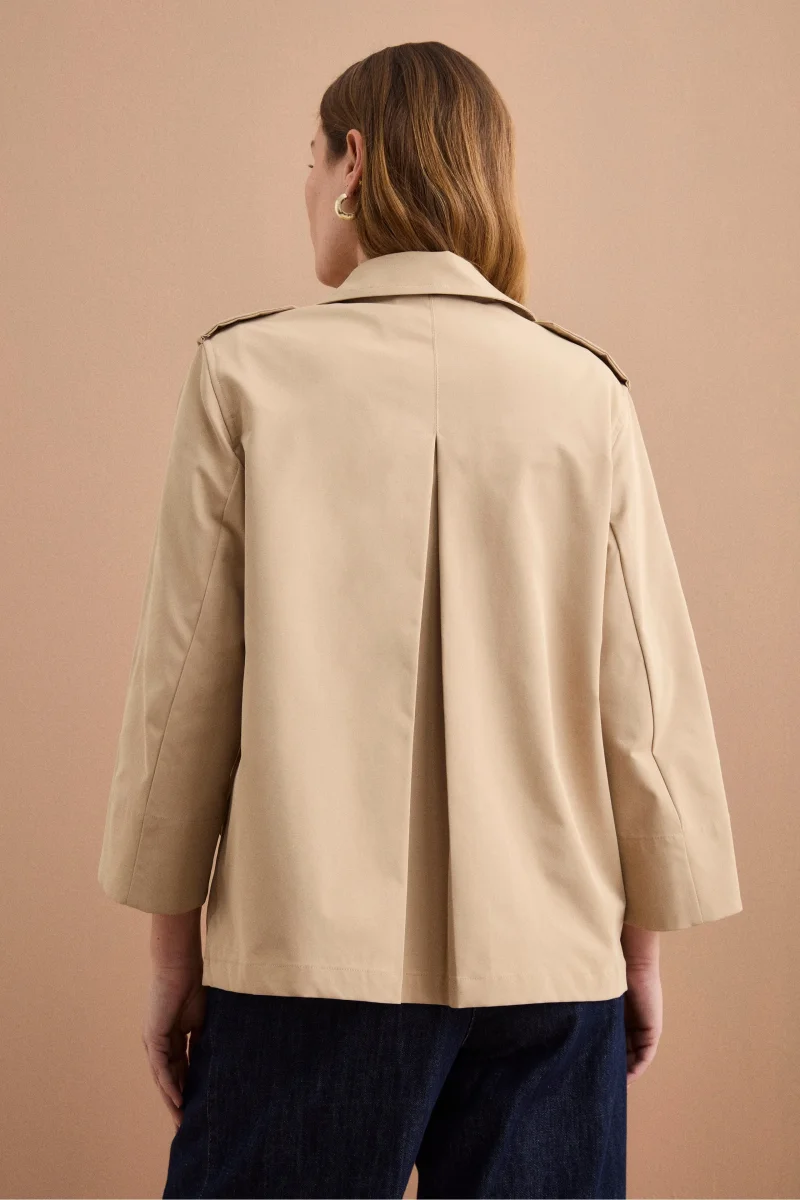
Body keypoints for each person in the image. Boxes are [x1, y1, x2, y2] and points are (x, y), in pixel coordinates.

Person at [96, 41, 743, 1200]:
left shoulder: (246, 375)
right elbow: (642, 701)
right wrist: (638, 948)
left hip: (304, 966)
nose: (306, 186)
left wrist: (170, 952)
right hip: (552, 965)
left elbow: (183, 686)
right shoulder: (583, 392)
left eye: (309, 159)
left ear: (352, 161)